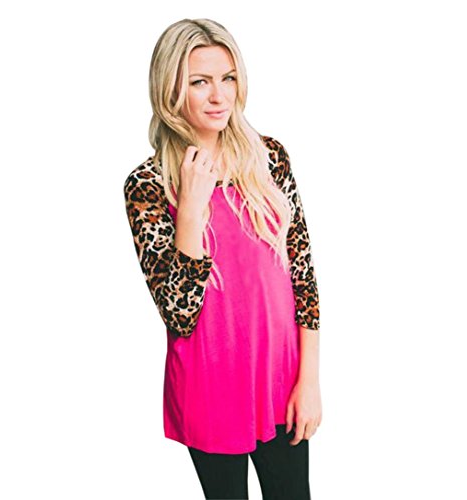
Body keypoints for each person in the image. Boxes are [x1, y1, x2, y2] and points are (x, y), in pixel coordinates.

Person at [123, 18, 321, 500]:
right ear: (171, 90)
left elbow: (302, 274)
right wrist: (191, 209)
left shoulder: (269, 158)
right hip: (211, 386)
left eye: (228, 78)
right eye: (199, 82)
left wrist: (310, 379)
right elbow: (179, 313)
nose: (219, 96)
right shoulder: (147, 185)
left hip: (280, 378)